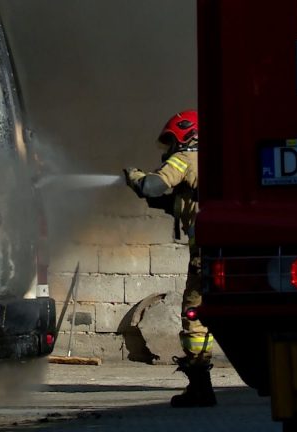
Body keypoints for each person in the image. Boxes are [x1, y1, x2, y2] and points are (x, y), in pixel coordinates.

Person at [123, 109, 216, 408]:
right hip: (228, 251)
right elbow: (186, 202)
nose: (170, 150)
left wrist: (136, 177)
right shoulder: (215, 159)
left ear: (185, 135)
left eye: (172, 141)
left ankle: (201, 387)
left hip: (205, 255)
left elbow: (154, 185)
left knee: (195, 316)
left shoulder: (186, 157)